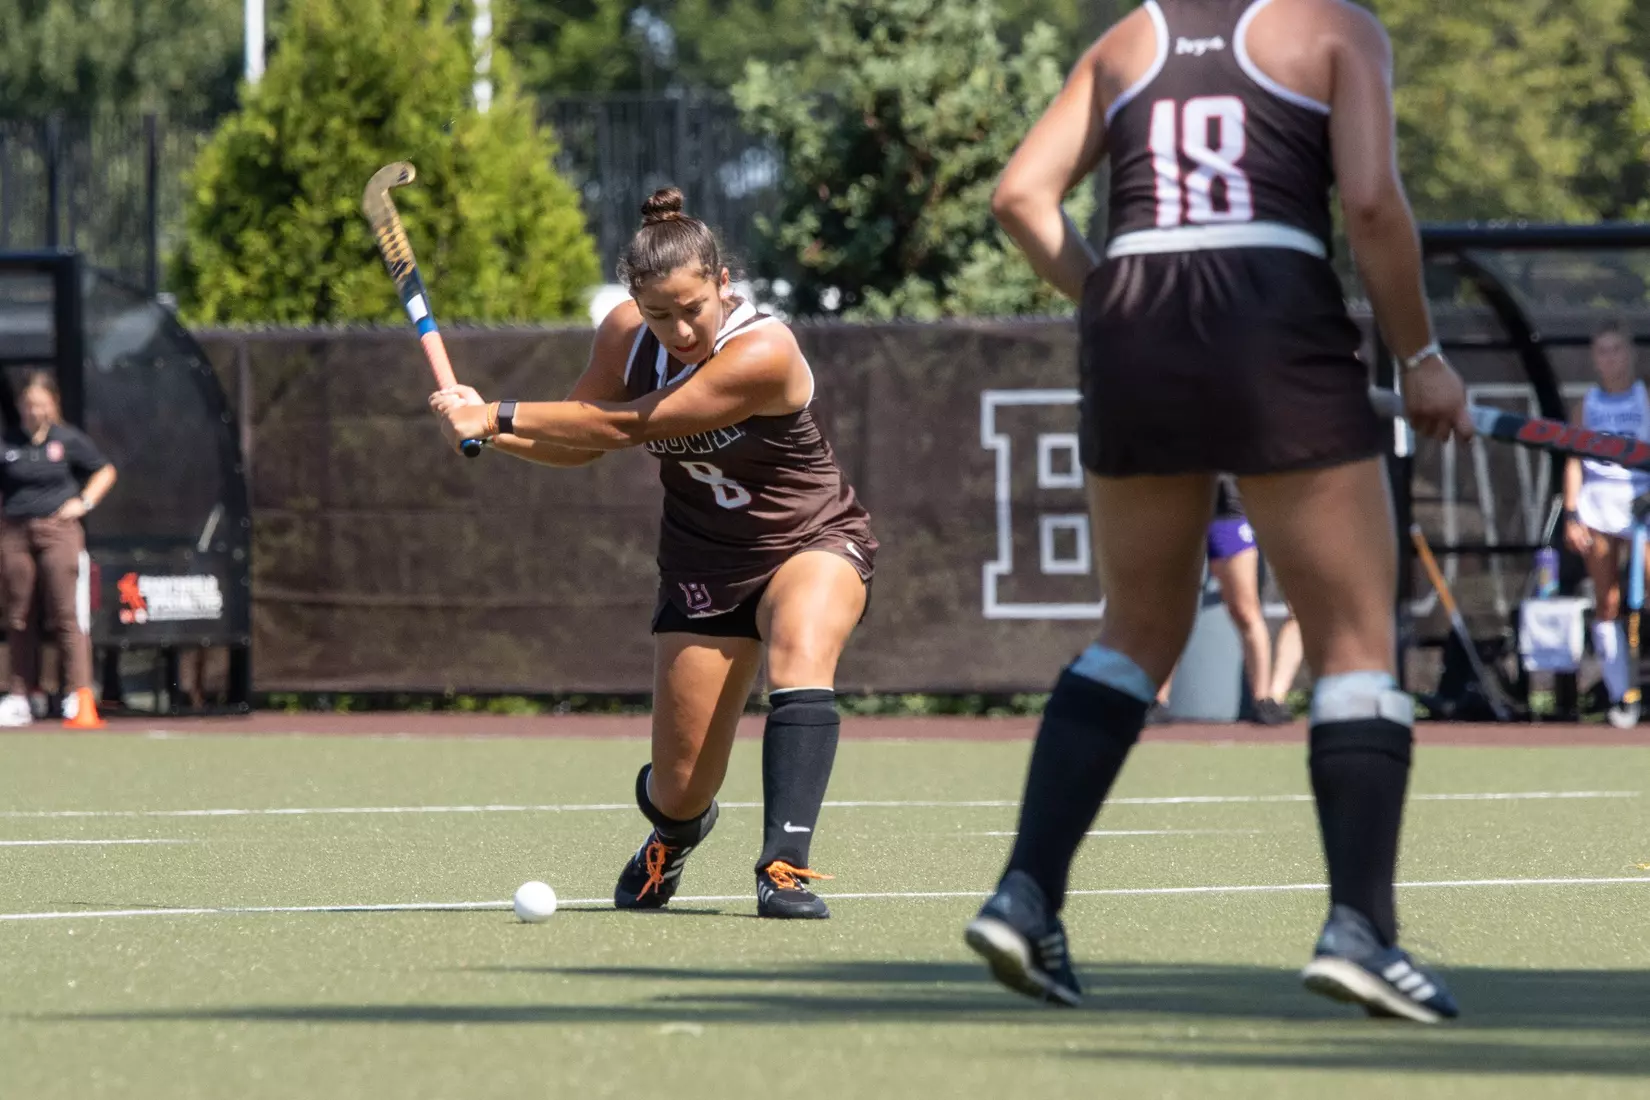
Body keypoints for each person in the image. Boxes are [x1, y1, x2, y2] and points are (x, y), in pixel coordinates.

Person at [966, 0, 1472, 1022]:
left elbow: (1021, 197)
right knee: (1356, 641)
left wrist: (1113, 297)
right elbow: (1370, 204)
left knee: (1136, 630)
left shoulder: (1125, 41)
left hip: (1131, 319)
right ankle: (1362, 930)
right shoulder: (1336, 28)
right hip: (1271, 305)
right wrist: (1422, 359)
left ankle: (1026, 893)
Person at [431, 188, 877, 919]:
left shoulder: (764, 349)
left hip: (811, 534)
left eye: (693, 308)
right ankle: (675, 835)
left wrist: (501, 411)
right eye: (659, 314)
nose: (677, 329)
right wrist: (487, 433)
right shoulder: (623, 335)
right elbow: (581, 439)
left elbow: (639, 423)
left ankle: (784, 868)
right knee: (679, 788)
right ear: (635, 301)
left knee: (800, 645)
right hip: (704, 558)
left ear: (723, 284)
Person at [0, 372, 117, 726]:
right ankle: (21, 695)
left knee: (66, 612)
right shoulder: (8, 442)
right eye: (27, 404)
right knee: (19, 614)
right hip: (16, 533)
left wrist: (83, 502)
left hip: (59, 532)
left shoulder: (68, 440)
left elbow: (105, 471)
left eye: (39, 403)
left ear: (52, 404)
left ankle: (76, 693)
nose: (33, 411)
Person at [1151, 476, 1295, 725]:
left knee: (1245, 611)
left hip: (1228, 517)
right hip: (1184, 514)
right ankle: (1157, 700)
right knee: (1171, 611)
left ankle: (1264, 701)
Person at [1561, 320, 1647, 729]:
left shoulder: (1647, 399)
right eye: (1602, 351)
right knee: (1608, 601)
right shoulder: (1587, 405)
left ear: (1630, 354)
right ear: (1594, 359)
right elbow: (1574, 459)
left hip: (1643, 503)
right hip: (1598, 507)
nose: (1610, 358)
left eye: (1617, 349)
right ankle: (1621, 696)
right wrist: (1573, 513)